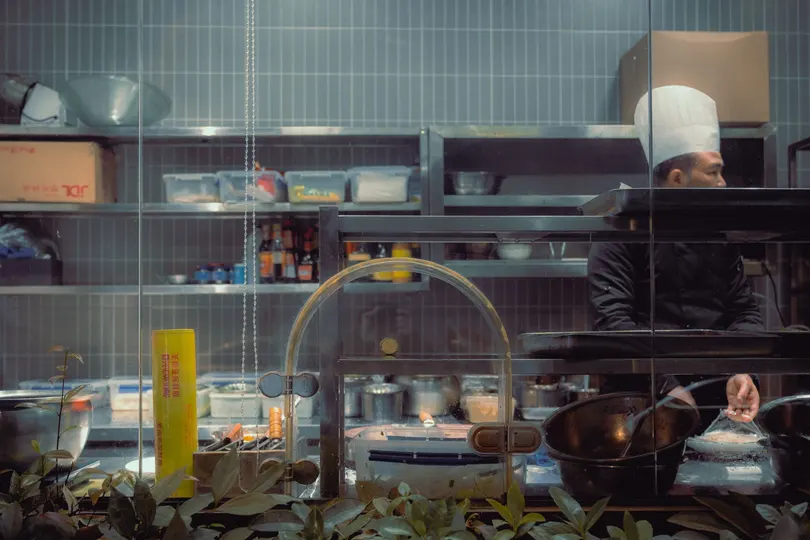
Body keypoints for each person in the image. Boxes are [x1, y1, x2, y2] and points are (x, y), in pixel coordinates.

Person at [588, 85, 761, 423]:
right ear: (678, 178)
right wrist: (666, 385)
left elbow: (744, 311)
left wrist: (743, 370)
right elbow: (613, 322)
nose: (723, 183)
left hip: (717, 405)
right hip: (640, 406)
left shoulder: (718, 236)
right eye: (713, 172)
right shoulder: (622, 232)